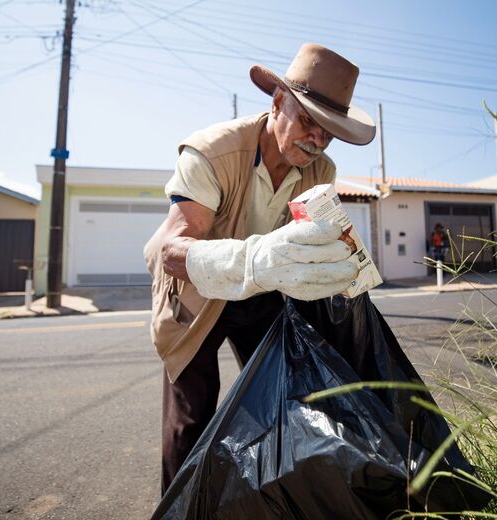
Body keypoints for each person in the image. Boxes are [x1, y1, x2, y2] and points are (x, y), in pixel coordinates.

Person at [142, 43, 377, 495]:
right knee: (191, 417)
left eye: (328, 132)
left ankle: (269, 500)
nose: (316, 140)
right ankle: (178, 507)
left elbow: (321, 240)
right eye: (307, 121)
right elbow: (172, 251)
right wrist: (255, 259)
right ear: (277, 102)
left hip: (262, 291)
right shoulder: (212, 151)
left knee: (283, 397)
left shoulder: (321, 170)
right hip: (195, 293)